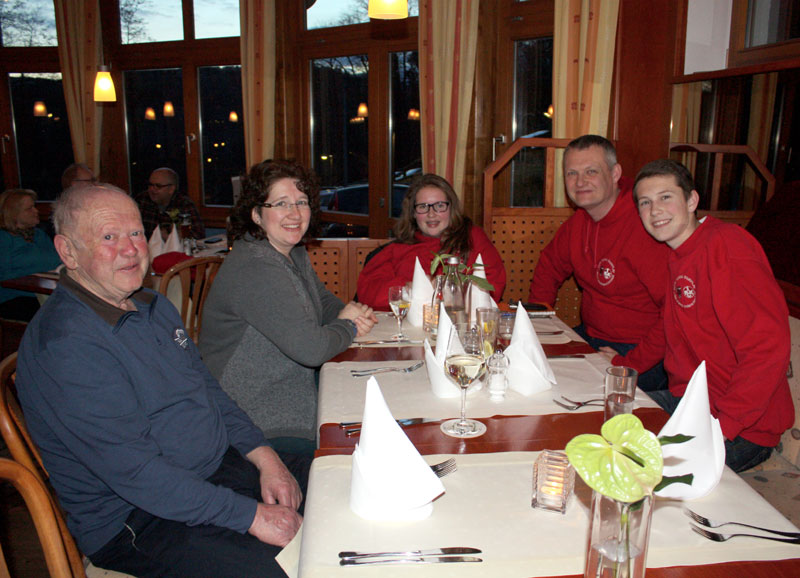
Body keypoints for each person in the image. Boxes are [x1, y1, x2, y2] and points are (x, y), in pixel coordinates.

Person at [15, 184, 307, 577]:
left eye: (136, 232)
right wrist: (250, 515)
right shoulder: (66, 345)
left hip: (216, 471)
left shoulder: (152, 306)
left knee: (341, 485)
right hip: (140, 518)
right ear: (68, 251)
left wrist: (265, 456)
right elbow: (137, 475)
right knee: (292, 569)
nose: (131, 248)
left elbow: (207, 391)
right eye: (108, 237)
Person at [200, 160, 377, 456]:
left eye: (302, 202)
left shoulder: (290, 251)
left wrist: (351, 312)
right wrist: (349, 325)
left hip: (292, 392)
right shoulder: (256, 267)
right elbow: (312, 350)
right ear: (256, 214)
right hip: (257, 419)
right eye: (280, 204)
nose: (295, 214)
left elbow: (321, 301)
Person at [633, 159, 793, 472]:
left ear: (692, 200)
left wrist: (720, 429)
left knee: (638, 472)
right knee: (604, 426)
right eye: (645, 202)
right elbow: (666, 331)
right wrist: (620, 370)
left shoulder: (727, 246)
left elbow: (767, 347)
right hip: (691, 405)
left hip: (744, 428)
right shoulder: (678, 254)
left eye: (666, 197)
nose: (655, 211)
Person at [527, 135, 669, 391]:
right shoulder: (577, 224)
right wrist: (537, 324)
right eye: (571, 173)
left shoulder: (646, 224)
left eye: (591, 171)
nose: (580, 182)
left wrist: (627, 363)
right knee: (530, 374)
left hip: (643, 353)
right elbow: (548, 268)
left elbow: (673, 315)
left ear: (615, 173)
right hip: (590, 337)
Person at [356, 173, 506, 309]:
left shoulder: (472, 238)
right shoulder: (396, 249)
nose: (431, 214)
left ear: (451, 208)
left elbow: (492, 288)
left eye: (440, 206)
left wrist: (450, 290)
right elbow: (368, 294)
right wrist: (409, 288)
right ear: (413, 213)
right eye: (423, 207)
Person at [0, 189, 62, 321]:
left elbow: (57, 262)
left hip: (46, 293)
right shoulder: (4, 239)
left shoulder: (39, 235)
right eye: (29, 209)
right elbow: (3, 277)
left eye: (35, 206)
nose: (36, 211)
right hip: (15, 297)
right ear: (13, 214)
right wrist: (36, 278)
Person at [136, 167, 205, 241]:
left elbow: (199, 235)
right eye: (150, 185)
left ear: (171, 189)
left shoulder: (183, 204)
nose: (152, 189)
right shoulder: (142, 200)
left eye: (158, 186)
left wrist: (170, 237)